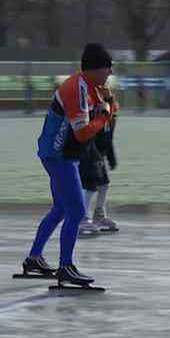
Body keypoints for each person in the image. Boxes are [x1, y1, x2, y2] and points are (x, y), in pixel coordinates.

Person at [20, 43, 114, 285]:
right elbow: (83, 133)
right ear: (94, 69)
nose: (110, 73)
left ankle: (34, 259)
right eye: (107, 68)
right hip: (58, 156)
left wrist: (108, 108)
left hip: (63, 154)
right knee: (76, 212)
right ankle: (66, 267)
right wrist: (104, 116)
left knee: (61, 209)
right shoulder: (76, 89)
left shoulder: (93, 86)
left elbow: (111, 110)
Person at [78, 84, 120, 236]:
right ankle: (81, 219)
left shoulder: (110, 112)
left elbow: (108, 138)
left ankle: (99, 216)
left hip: (98, 154)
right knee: (91, 186)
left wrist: (111, 157)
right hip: (88, 152)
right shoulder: (92, 109)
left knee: (103, 184)